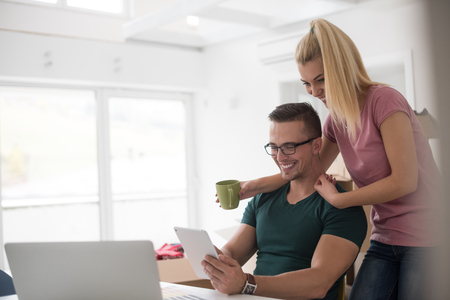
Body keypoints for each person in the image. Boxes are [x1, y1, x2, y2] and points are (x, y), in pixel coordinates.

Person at [236, 19, 442, 300]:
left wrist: (340, 199)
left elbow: (405, 181)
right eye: (306, 83)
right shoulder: (336, 121)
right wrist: (254, 186)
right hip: (385, 237)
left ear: (342, 68)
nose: (314, 91)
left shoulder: (384, 101)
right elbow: (307, 165)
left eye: (320, 79)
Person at [203, 102, 367, 300]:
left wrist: (247, 284)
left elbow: (319, 282)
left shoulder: (342, 208)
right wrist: (215, 259)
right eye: (273, 147)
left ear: (316, 145)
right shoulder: (263, 198)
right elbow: (233, 252)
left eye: (289, 147)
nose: (279, 157)